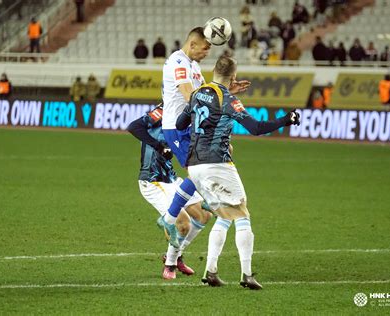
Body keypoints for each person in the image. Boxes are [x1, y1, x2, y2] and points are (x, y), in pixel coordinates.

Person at [175, 55, 301, 289]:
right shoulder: (229, 100)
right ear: (233, 76)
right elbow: (256, 128)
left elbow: (181, 124)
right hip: (217, 164)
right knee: (242, 214)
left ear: (213, 71)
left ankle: (210, 271)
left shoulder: (197, 93)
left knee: (224, 216)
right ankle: (247, 274)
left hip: (195, 166)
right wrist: (287, 118)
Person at [158, 27, 250, 248]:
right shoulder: (178, 63)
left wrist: (226, 90)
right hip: (176, 127)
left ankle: (175, 227)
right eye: (205, 48)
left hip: (191, 126)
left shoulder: (194, 66)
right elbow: (190, 95)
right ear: (192, 45)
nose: (207, 52)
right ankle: (169, 217)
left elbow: (205, 95)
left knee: (220, 156)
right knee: (200, 168)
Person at [127, 105, 210, 280]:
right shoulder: (163, 111)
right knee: (183, 222)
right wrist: (158, 146)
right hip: (152, 181)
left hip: (171, 179)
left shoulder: (188, 113)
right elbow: (134, 127)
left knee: (203, 215)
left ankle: (175, 255)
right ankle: (170, 264)